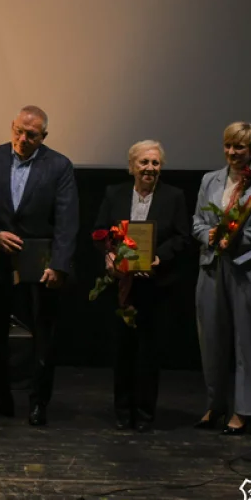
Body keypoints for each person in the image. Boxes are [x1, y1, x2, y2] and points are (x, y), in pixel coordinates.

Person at [0, 105, 78, 426]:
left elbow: (67, 220)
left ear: (43, 136)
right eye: (18, 131)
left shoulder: (59, 165)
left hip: (39, 264)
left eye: (31, 135)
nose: (22, 139)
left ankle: (38, 402)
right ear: (12, 126)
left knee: (43, 335)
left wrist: (59, 264)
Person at [192, 122, 251, 435]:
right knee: (211, 341)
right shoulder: (210, 180)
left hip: (248, 269)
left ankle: (244, 410)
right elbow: (197, 222)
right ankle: (215, 405)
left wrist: (235, 236)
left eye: (239, 147)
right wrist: (209, 235)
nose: (232, 152)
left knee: (248, 343)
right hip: (212, 266)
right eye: (228, 145)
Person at [94, 140, 190, 433]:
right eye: (144, 162)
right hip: (121, 286)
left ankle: (145, 413)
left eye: (155, 163)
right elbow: (100, 231)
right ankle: (123, 412)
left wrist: (160, 257)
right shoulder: (114, 193)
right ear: (131, 167)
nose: (150, 168)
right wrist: (109, 255)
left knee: (149, 353)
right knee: (122, 351)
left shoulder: (174, 196)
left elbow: (182, 237)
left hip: (156, 286)